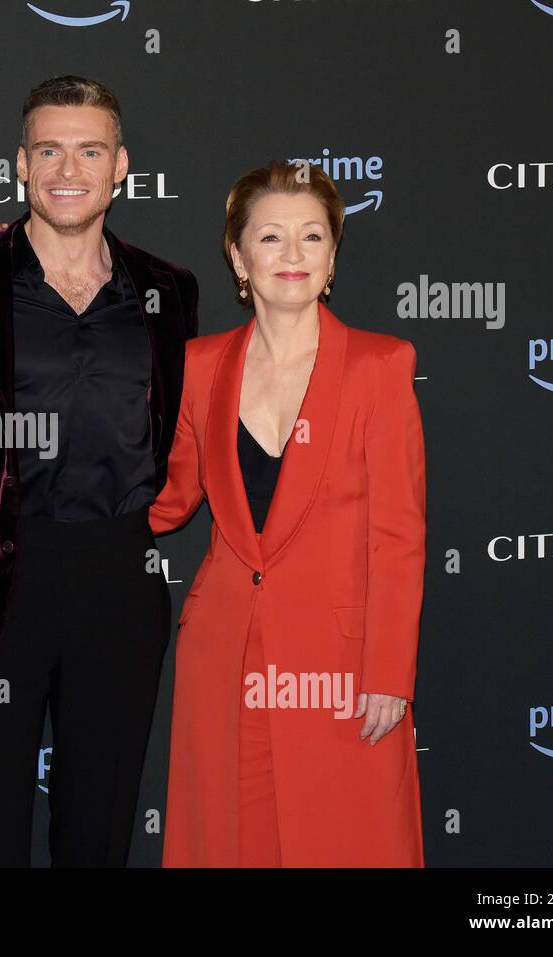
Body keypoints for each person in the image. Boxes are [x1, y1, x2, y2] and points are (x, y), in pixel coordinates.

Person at [0, 75, 199, 867]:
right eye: (50, 149)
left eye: (89, 149)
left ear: (120, 165)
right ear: (20, 164)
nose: (69, 168)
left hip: (119, 587)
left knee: (97, 838)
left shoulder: (170, 292)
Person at [150, 160, 426, 867]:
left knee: (346, 844)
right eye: (271, 238)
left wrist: (389, 673)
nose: (294, 255)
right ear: (238, 257)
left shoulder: (380, 365)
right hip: (225, 661)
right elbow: (167, 500)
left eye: (312, 237)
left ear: (333, 257)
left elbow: (398, 533)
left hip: (343, 673)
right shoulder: (201, 366)